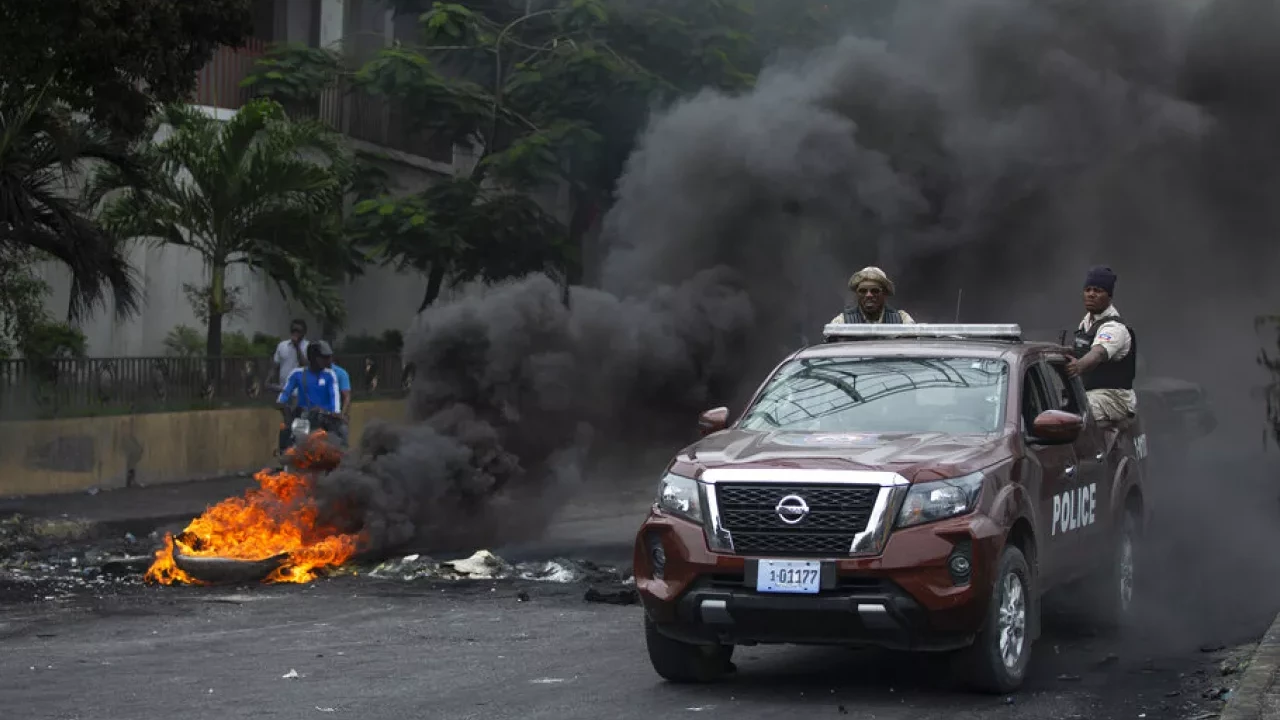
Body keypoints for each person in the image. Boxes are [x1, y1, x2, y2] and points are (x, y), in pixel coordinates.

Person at [1066, 265, 1137, 424]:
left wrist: (1078, 367)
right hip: (1091, 393)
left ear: (1109, 296)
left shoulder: (1114, 328)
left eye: (1097, 291)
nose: (1091, 294)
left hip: (1113, 398)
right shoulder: (1087, 322)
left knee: (1076, 416)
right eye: (1088, 289)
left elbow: (1097, 353)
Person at [276, 340, 345, 449]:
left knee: (341, 433)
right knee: (285, 430)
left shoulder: (330, 375)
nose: (328, 361)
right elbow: (283, 396)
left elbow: (334, 399)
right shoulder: (297, 373)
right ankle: (283, 456)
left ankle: (342, 459)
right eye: (324, 357)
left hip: (324, 420)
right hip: (303, 419)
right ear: (313, 357)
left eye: (329, 357)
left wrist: (335, 413)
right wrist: (282, 405)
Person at [829, 266, 917, 324]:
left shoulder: (902, 320)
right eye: (863, 291)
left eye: (875, 291)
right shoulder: (842, 322)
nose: (868, 295)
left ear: (885, 293)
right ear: (857, 294)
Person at [271, 319, 310, 391]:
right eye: (293, 330)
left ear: (304, 332)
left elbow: (305, 366)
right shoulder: (282, 345)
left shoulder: (309, 347)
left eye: (298, 331)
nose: (295, 333)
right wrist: (269, 380)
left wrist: (297, 346)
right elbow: (275, 365)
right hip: (283, 388)